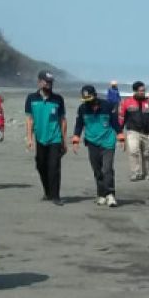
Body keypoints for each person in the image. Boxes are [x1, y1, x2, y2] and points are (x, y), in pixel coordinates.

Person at [72, 85, 122, 207]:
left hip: (108, 141)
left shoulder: (107, 106)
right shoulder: (82, 108)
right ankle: (101, 194)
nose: (87, 101)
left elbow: (115, 122)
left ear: (95, 95)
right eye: (85, 99)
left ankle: (110, 194)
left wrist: (120, 136)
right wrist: (76, 139)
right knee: (97, 170)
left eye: (89, 98)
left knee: (107, 169)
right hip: (92, 142)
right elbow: (79, 124)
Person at [24, 70, 67, 205]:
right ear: (39, 82)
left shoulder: (58, 99)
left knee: (54, 166)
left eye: (50, 82)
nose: (49, 84)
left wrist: (64, 141)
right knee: (41, 165)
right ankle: (47, 191)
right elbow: (29, 119)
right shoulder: (31, 98)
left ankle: (56, 196)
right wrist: (29, 138)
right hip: (40, 137)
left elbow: (62, 120)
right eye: (46, 81)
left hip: (55, 137)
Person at [119, 81, 149, 181]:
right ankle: (135, 172)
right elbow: (121, 117)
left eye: (144, 91)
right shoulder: (126, 102)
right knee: (133, 151)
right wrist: (119, 132)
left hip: (147, 132)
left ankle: (147, 173)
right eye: (140, 91)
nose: (142, 92)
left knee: (146, 154)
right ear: (135, 91)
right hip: (133, 131)